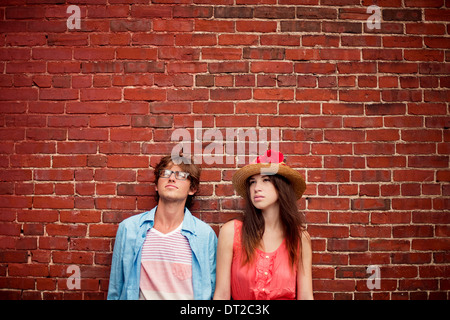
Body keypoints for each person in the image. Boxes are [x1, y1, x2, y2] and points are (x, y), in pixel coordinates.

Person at [107, 154, 217, 300]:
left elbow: (213, 288)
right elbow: (116, 288)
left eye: (181, 175)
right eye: (165, 173)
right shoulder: (129, 229)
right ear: (156, 185)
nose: (171, 178)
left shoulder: (204, 235)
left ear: (192, 189)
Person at [213, 150, 313, 300]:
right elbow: (221, 295)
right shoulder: (231, 232)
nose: (256, 188)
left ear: (281, 187)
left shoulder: (300, 238)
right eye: (253, 182)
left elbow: (305, 296)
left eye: (265, 180)